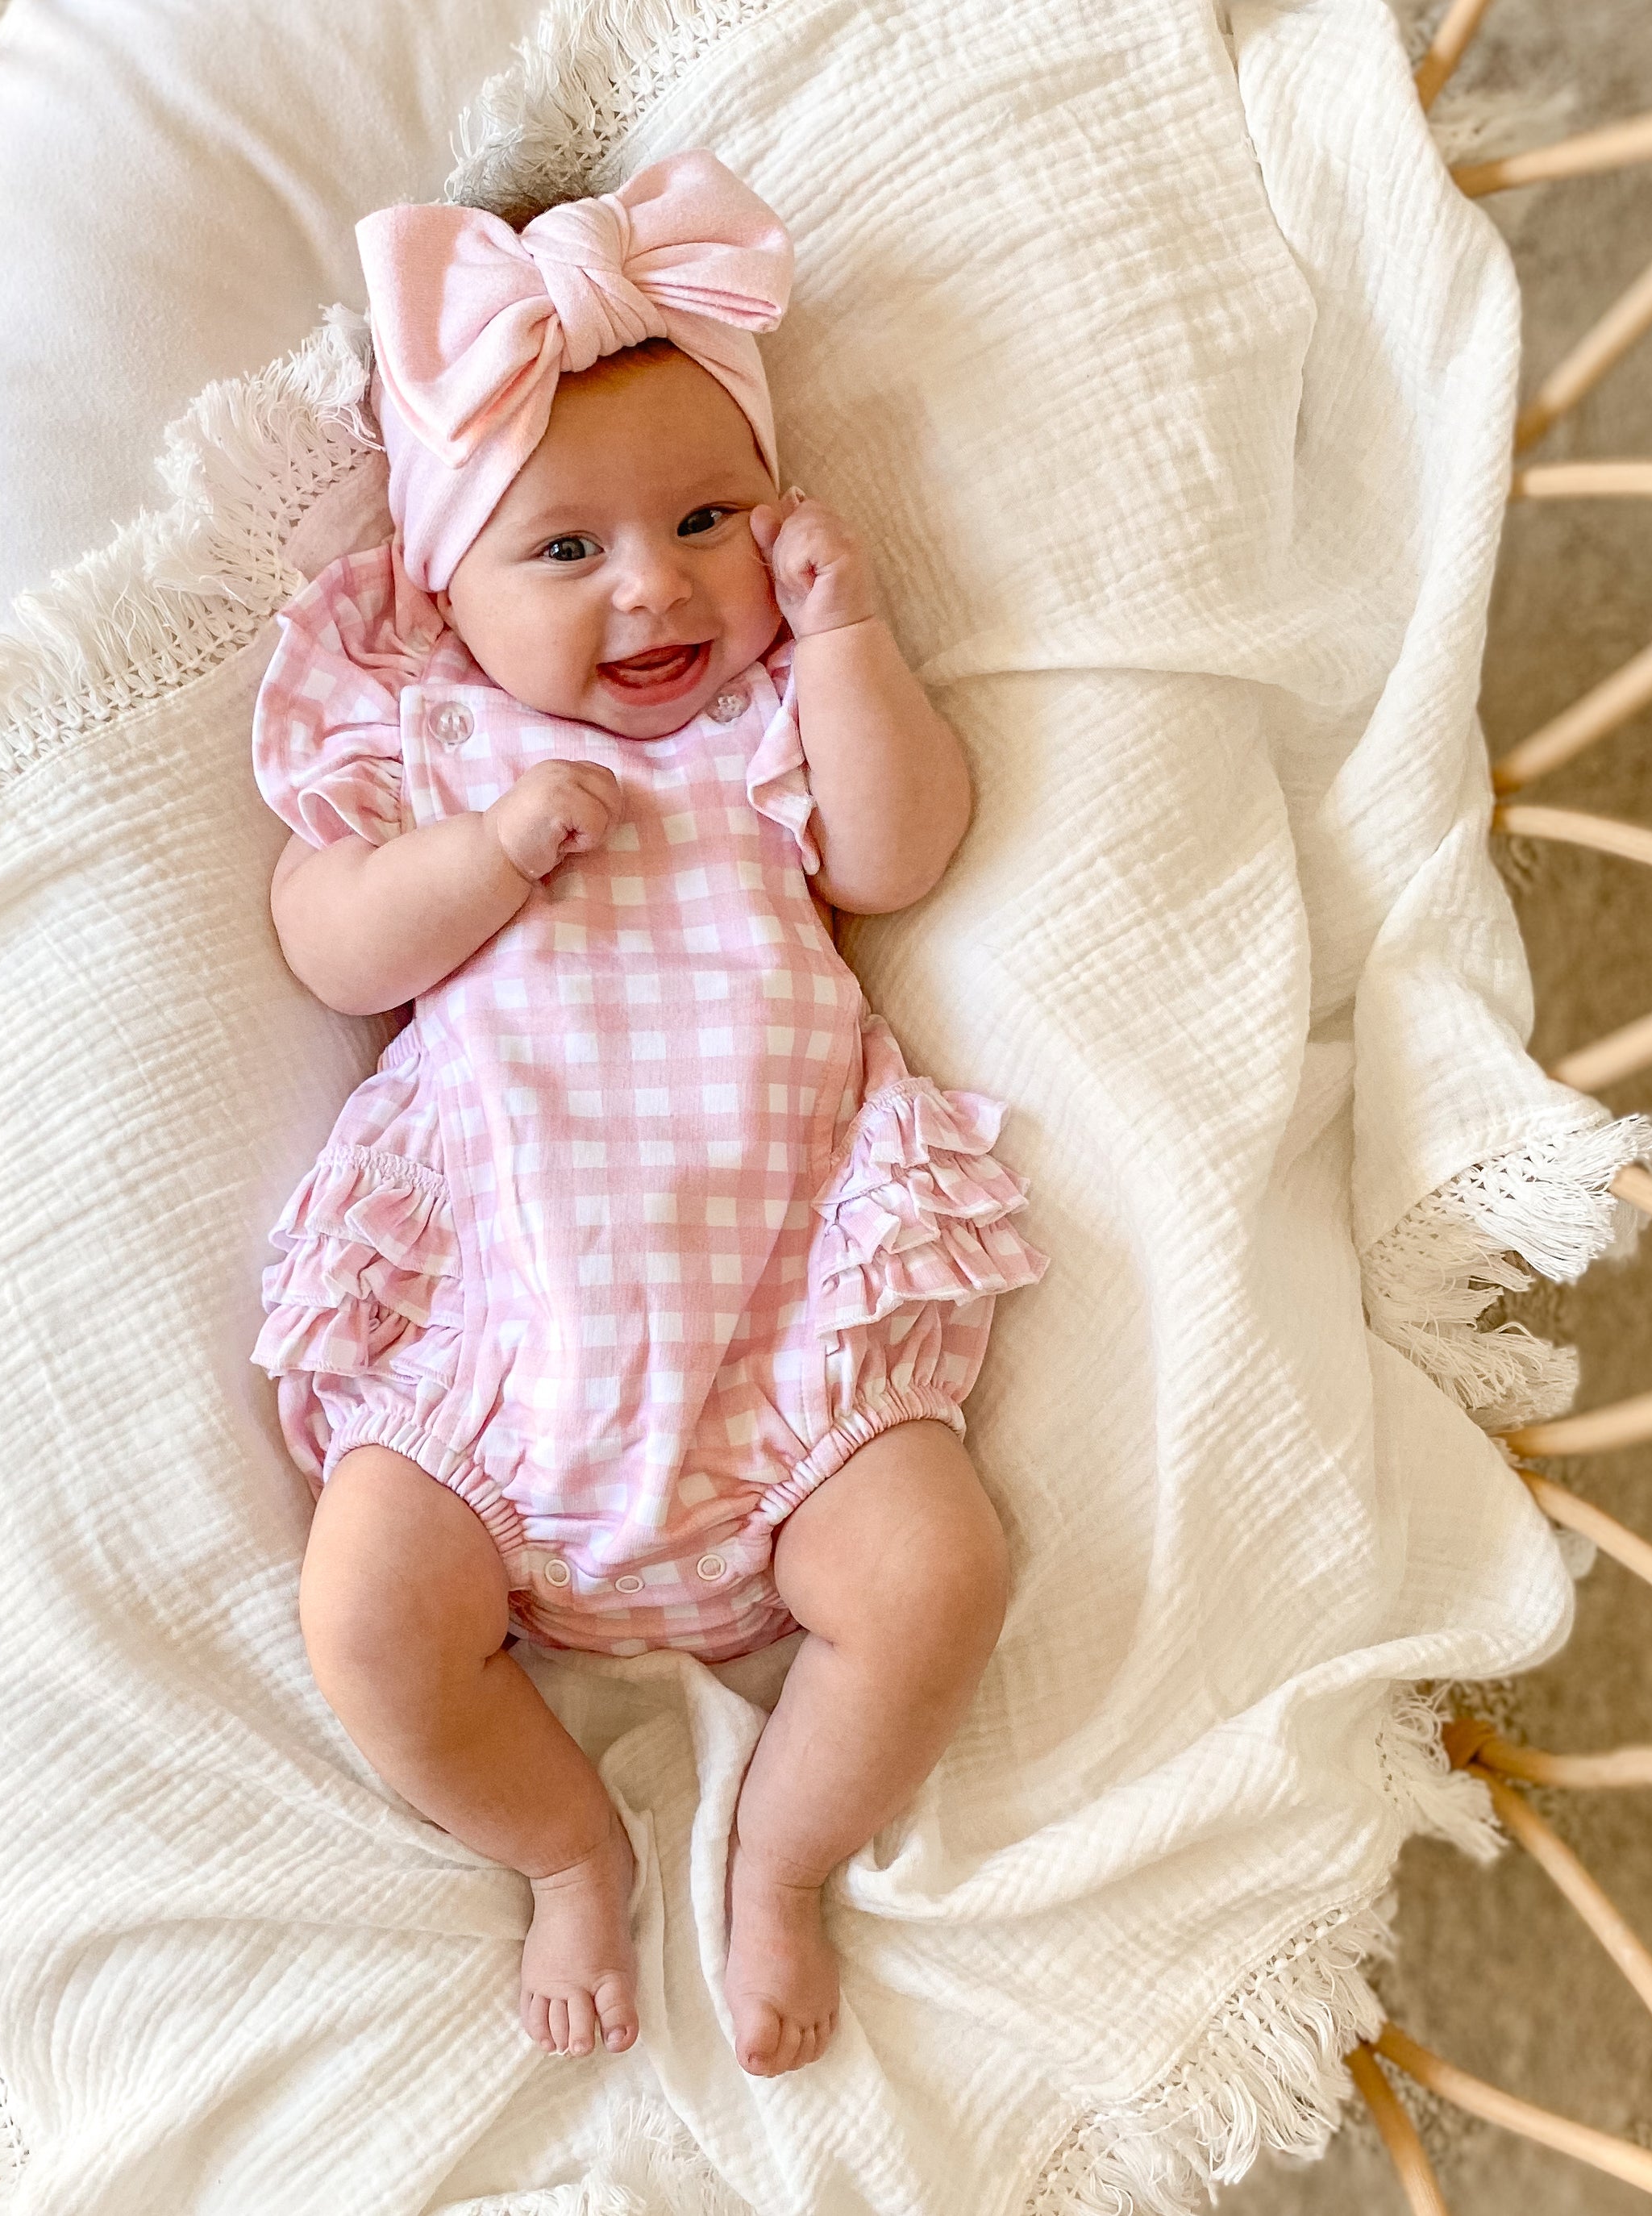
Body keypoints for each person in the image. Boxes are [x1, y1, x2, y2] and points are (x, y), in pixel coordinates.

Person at [252, 149, 1043, 2078]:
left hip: (787, 1365)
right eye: (567, 551)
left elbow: (903, 850)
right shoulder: (437, 741)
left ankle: (782, 1854)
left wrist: (848, 644)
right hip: (497, 1378)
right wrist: (483, 861)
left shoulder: (766, 730)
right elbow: (329, 943)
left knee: (940, 1569)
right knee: (365, 1611)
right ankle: (564, 1849)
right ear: (448, 587)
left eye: (709, 519)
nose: (657, 587)